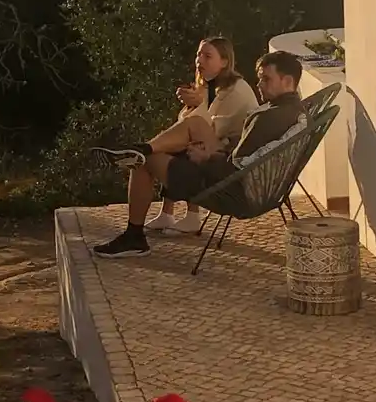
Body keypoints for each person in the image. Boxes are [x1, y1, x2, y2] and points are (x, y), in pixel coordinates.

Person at [91, 50, 305, 259]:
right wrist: (219, 151)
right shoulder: (292, 110)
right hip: (243, 180)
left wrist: (206, 159)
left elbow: (234, 170)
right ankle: (143, 148)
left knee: (144, 162)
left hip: (228, 189)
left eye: (266, 79)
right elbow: (246, 156)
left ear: (287, 81)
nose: (259, 84)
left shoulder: (268, 118)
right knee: (195, 123)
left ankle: (134, 236)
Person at [121, 36, 259, 233]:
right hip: (218, 147)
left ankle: (144, 150)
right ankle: (167, 213)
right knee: (171, 142)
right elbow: (185, 124)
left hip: (228, 158)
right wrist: (191, 104)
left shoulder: (236, 91)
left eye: (207, 56)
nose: (199, 60)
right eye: (198, 55)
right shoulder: (211, 85)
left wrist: (198, 104)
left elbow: (209, 129)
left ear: (224, 61)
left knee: (169, 147)